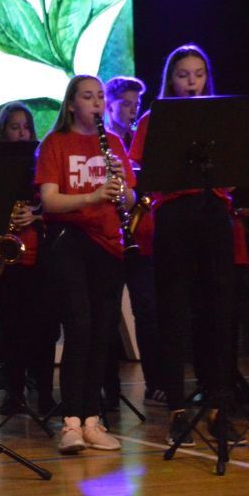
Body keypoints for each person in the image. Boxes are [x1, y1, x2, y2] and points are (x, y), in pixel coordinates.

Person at [129, 44, 238, 447]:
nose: (192, 83)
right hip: (174, 216)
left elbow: (234, 169)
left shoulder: (220, 116)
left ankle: (218, 407)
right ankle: (177, 410)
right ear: (170, 80)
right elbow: (144, 173)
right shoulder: (154, 118)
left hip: (214, 213)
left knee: (218, 312)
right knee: (173, 312)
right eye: (183, 75)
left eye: (198, 74)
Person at [36, 77, 132, 454]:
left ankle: (93, 421)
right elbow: (49, 201)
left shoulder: (114, 144)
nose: (96, 103)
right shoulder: (55, 143)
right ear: (73, 104)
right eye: (88, 97)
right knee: (80, 327)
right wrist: (92, 196)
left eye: (100, 97)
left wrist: (121, 186)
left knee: (102, 332)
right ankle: (71, 423)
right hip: (70, 242)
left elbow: (130, 197)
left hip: (108, 245)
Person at [102, 76, 163, 408]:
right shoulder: (105, 142)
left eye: (135, 104)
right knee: (108, 314)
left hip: (141, 238)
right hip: (110, 237)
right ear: (109, 105)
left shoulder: (142, 138)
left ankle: (156, 383)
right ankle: (109, 389)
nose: (132, 110)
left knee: (148, 311)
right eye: (124, 104)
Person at [0, 102, 53, 415]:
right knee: (11, 328)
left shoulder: (41, 163)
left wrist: (37, 215)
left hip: (40, 257)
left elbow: (53, 206)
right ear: (3, 131)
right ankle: (13, 392)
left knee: (43, 328)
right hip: (8, 261)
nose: (22, 133)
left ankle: (45, 393)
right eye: (14, 127)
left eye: (26, 127)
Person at [103, 76, 143, 148]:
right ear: (108, 106)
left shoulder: (140, 140)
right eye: (127, 104)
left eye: (136, 105)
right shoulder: (100, 140)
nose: (134, 111)